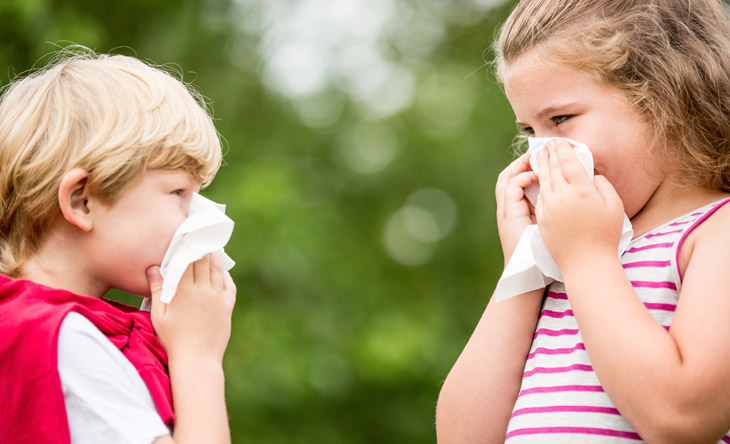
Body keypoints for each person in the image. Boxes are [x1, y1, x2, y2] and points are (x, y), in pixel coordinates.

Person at [436, 0, 730, 442]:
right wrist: (524, 268)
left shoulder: (714, 233)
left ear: (663, 95)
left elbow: (682, 419)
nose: (542, 155)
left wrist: (587, 258)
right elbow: (464, 437)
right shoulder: (564, 255)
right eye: (530, 132)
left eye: (560, 119)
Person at [0, 48, 236, 444]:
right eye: (178, 191)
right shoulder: (64, 343)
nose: (196, 218)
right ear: (82, 201)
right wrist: (199, 358)